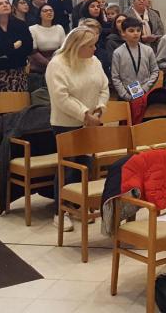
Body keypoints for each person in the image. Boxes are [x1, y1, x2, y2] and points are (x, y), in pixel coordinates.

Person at [45, 27, 110, 231]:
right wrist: (84, 114)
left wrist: (100, 108)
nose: (94, 48)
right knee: (68, 167)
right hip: (66, 122)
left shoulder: (94, 61)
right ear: (77, 46)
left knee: (86, 164)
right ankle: (60, 211)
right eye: (90, 45)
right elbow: (61, 96)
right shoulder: (57, 64)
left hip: (91, 120)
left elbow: (104, 87)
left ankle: (80, 204)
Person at [110, 17, 160, 102]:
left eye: (138, 30)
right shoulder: (118, 53)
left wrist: (145, 88)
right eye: (131, 31)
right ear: (123, 33)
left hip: (145, 93)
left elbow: (155, 71)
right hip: (125, 95)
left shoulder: (148, 50)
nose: (136, 33)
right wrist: (125, 95)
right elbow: (115, 77)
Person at [28, 5, 65, 92]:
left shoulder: (59, 28)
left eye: (51, 10)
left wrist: (55, 63)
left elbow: (63, 48)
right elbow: (33, 51)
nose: (49, 12)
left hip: (57, 67)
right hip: (38, 69)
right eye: (45, 11)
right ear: (40, 14)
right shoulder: (33, 29)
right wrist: (48, 63)